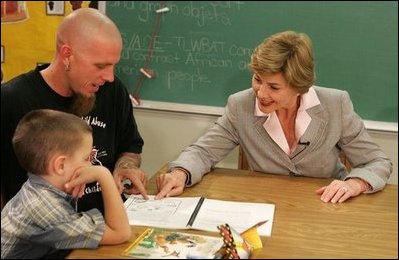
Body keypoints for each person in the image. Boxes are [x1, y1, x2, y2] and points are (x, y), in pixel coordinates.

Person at [156, 30, 393, 203]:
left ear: (300, 86)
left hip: (325, 207)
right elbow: (203, 152)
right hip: (265, 205)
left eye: (274, 87)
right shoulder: (240, 105)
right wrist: (180, 173)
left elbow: (377, 161)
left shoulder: (335, 104)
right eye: (257, 79)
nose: (261, 93)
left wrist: (355, 183)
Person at [1, 8, 148, 214]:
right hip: (47, 237)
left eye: (113, 65)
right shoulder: (12, 100)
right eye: (100, 66)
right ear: (67, 55)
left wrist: (126, 167)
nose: (110, 77)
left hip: (110, 226)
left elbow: (130, 148)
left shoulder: (113, 91)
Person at [1, 109, 131, 259]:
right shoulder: (45, 209)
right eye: (85, 158)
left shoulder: (37, 187)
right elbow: (120, 233)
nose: (90, 164)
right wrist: (104, 175)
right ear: (61, 165)